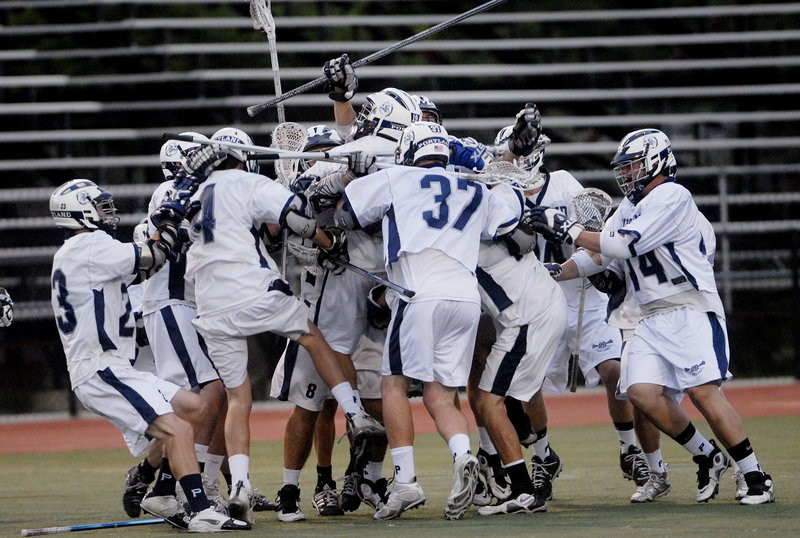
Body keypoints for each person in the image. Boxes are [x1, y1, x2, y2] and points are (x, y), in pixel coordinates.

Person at [527, 128, 775, 505]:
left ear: (657, 162)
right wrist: (558, 271)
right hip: (646, 316)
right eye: (623, 167)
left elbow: (622, 244)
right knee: (641, 394)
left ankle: (756, 475)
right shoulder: (628, 207)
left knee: (703, 392)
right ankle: (707, 454)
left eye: (633, 165)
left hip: (688, 308)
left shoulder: (673, 195)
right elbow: (599, 256)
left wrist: (571, 229)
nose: (626, 173)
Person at [183, 126, 385, 526]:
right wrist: (327, 242)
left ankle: (239, 484)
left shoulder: (192, 193)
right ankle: (354, 412)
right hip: (251, 288)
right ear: (243, 158)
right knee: (311, 334)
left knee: (238, 398)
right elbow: (296, 218)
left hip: (209, 303)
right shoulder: (248, 180)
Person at [335, 121, 527, 520]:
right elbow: (509, 220)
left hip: (418, 293)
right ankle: (462, 456)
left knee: (394, 385)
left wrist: (356, 170)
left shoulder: (395, 176)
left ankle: (405, 481)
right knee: (441, 394)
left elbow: (346, 214)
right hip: (465, 299)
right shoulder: (474, 186)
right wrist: (492, 173)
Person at [49, 178, 250, 532]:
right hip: (100, 367)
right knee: (177, 430)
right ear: (79, 211)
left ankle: (154, 485)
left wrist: (166, 226)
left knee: (194, 408)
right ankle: (199, 508)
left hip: (110, 363)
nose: (106, 211)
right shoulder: (90, 245)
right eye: (98, 205)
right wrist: (170, 221)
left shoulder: (80, 251)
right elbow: (152, 256)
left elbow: (147, 264)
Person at [501, 121, 651, 498]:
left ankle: (628, 447)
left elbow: (595, 241)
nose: (505, 161)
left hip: (581, 297)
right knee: (525, 386)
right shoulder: (499, 194)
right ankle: (543, 456)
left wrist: (562, 263)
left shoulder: (565, 185)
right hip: (535, 305)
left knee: (615, 371)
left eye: (510, 154)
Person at [465, 162, 568, 515]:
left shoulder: (473, 221)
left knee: (487, 401)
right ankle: (537, 449)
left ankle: (523, 489)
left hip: (527, 317)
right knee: (502, 391)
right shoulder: (499, 197)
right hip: (537, 308)